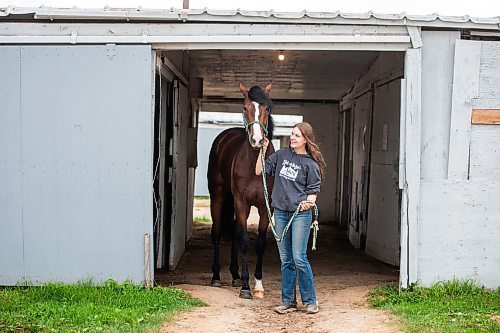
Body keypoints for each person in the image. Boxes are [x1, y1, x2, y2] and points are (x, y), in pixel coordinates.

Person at [255, 122, 326, 315]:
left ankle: (310, 300)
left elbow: (313, 193)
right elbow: (259, 171)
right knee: (286, 259)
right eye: (292, 134)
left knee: (298, 257)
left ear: (306, 139)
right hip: (280, 212)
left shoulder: (311, 165)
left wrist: (308, 203)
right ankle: (288, 301)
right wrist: (262, 150)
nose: (292, 138)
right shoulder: (280, 155)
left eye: (297, 135)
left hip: (300, 214)